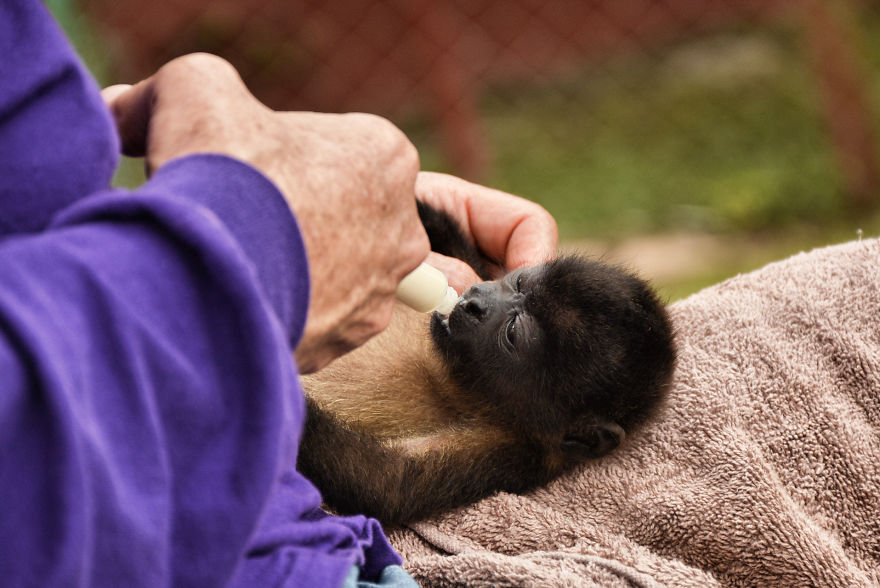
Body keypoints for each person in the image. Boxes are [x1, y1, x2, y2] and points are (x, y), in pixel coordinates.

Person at [0, 1, 557, 586]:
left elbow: (392, 484)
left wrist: (320, 196)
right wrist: (252, 248)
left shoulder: (522, 442)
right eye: (516, 286)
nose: (484, 297)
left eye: (519, 325)